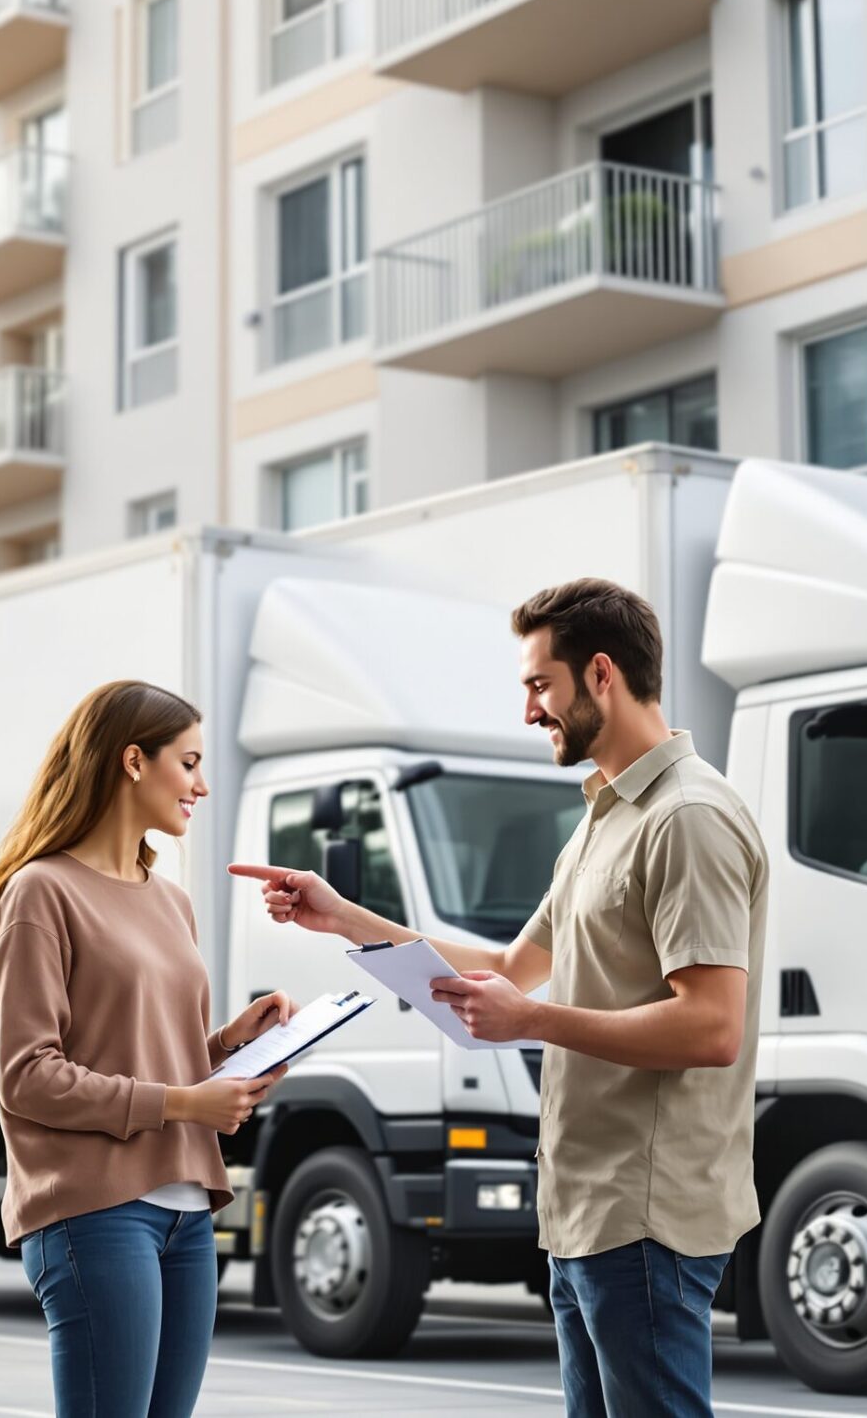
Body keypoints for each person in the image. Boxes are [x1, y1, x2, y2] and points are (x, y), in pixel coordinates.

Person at [231, 579, 767, 1416]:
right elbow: (509, 966)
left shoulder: (687, 816)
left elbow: (711, 1025)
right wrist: (342, 916)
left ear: (601, 674)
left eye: (539, 685)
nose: (528, 711)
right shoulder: (602, 822)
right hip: (585, 1211)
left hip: (645, 1212)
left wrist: (532, 1021)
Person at [0, 678, 297, 1418]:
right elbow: (27, 1076)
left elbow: (155, 1060)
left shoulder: (170, 900)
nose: (202, 785)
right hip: (95, 1211)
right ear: (132, 761)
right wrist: (187, 1102)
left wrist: (232, 1044)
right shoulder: (41, 891)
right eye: (188, 763)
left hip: (187, 1210)